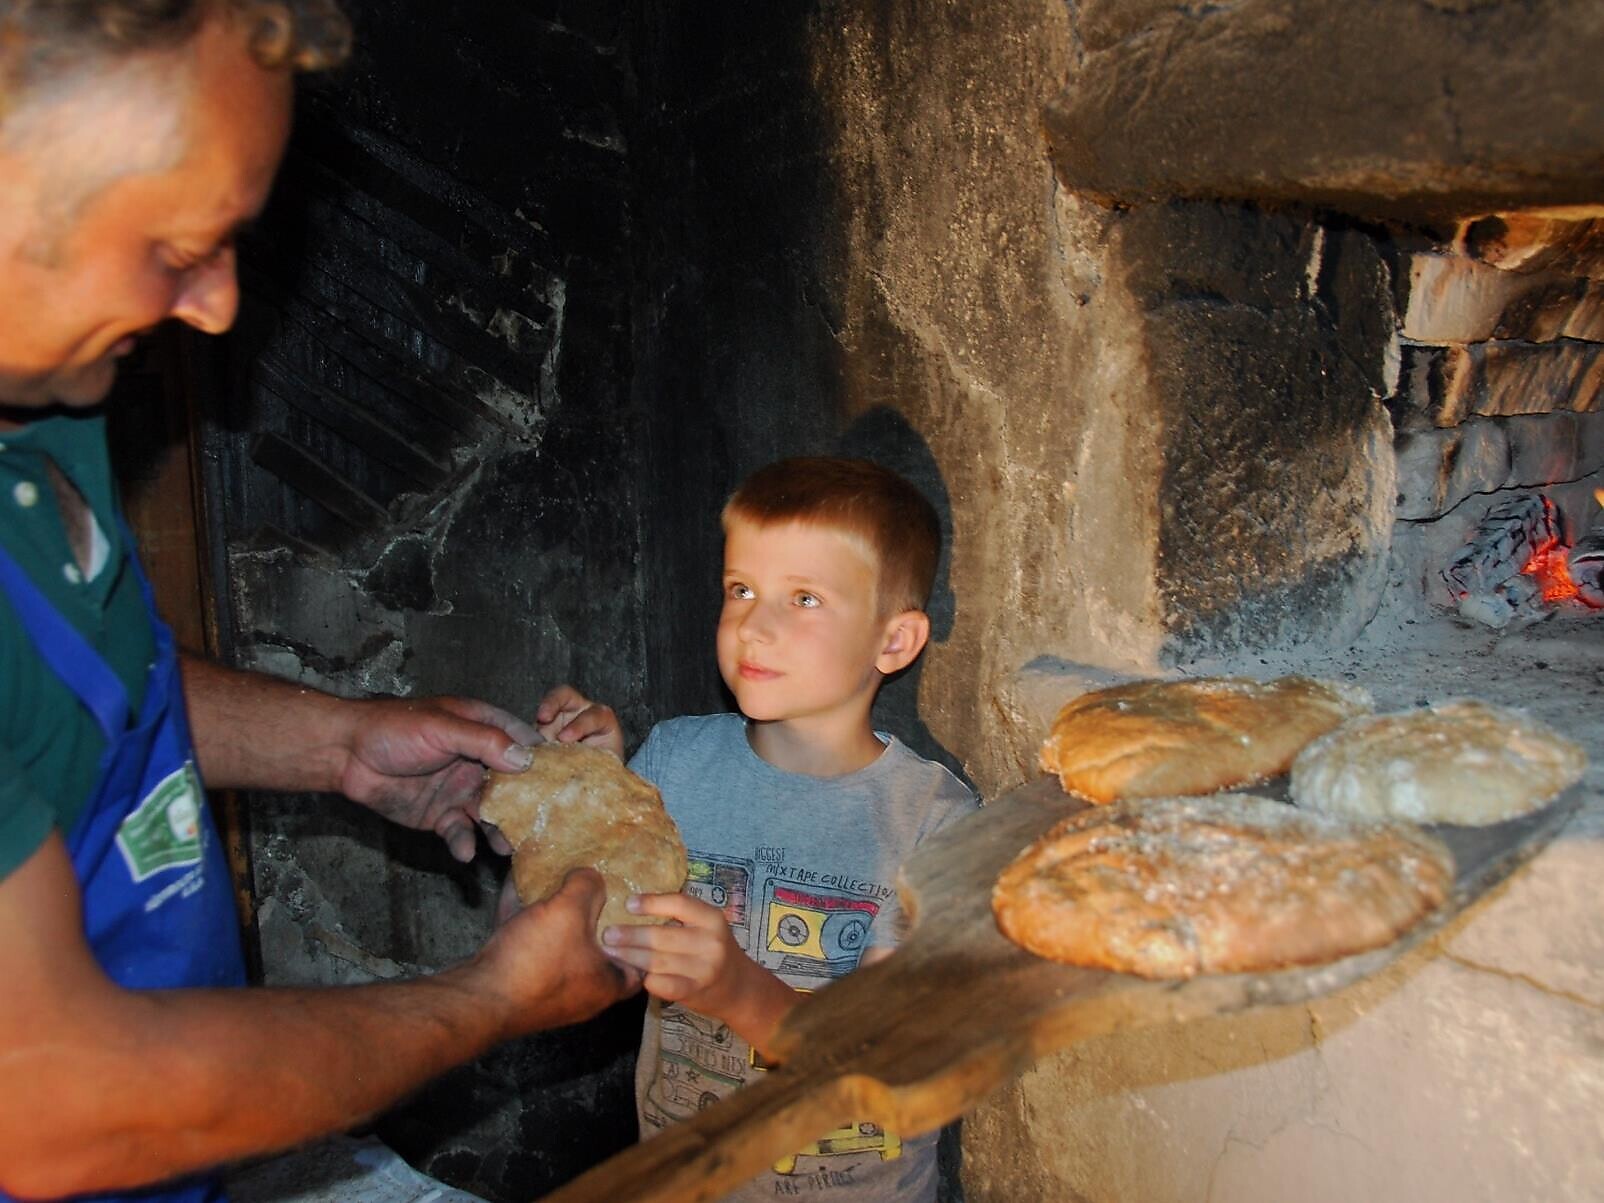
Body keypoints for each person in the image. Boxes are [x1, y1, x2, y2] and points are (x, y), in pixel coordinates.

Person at [0, 4, 638, 1200]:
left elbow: (60, 698)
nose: (217, 305)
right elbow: (53, 1105)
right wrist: (492, 999)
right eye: (180, 245)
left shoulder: (42, 390)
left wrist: (338, 743)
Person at [543, 457, 978, 1201]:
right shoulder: (676, 762)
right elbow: (571, 925)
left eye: (804, 597)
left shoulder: (932, 820)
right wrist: (595, 793)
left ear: (895, 642)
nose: (754, 623)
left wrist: (736, 988)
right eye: (740, 588)